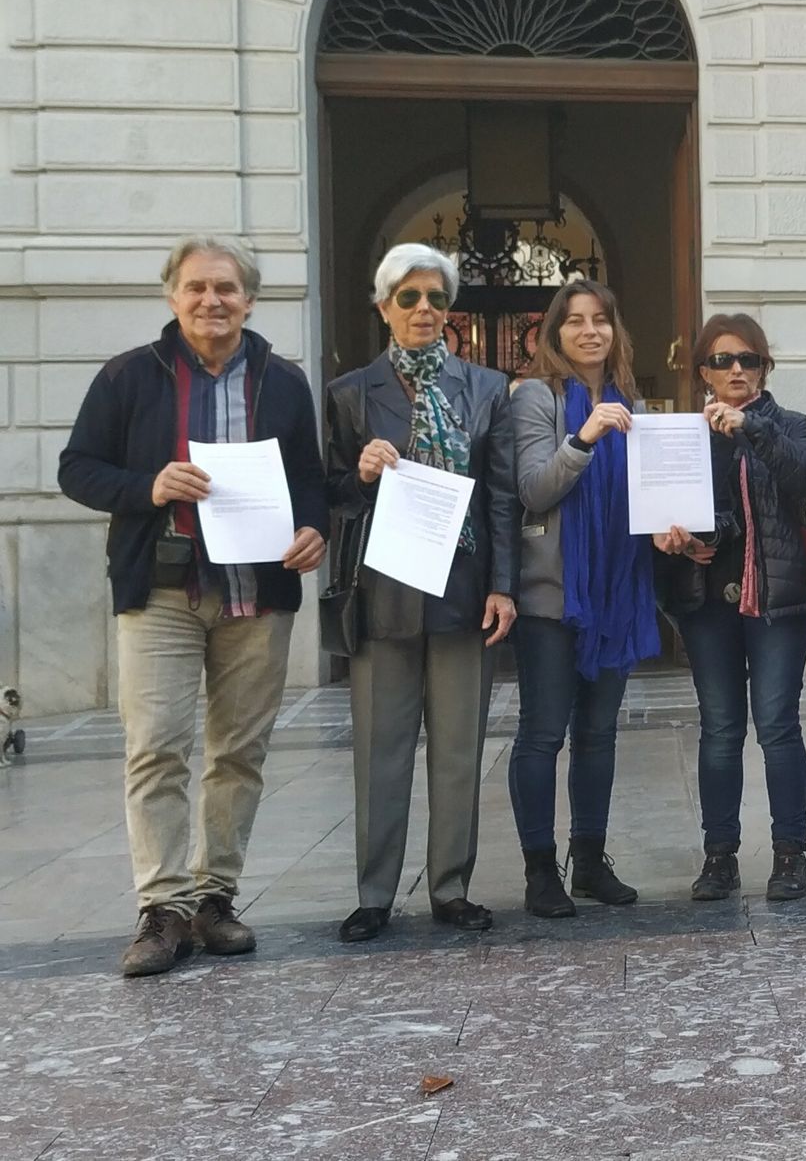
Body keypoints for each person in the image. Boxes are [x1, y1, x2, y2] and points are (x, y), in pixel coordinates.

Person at [58, 235, 328, 977]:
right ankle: (164, 907)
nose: (212, 300)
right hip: (162, 589)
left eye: (227, 289)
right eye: (197, 287)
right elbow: (77, 469)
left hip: (257, 595)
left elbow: (310, 477)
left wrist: (314, 529)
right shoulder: (128, 377)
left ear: (250, 299)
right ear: (172, 296)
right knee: (157, 747)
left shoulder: (281, 381)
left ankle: (216, 897)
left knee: (239, 753)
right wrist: (149, 487)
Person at [323, 243, 518, 943]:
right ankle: (375, 893)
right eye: (409, 298)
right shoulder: (350, 394)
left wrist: (503, 585)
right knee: (381, 747)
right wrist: (363, 474)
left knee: (460, 746)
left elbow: (501, 496)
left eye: (436, 298)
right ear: (384, 308)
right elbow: (331, 492)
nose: (424, 310)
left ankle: (450, 886)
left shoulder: (487, 389)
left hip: (463, 587)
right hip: (385, 589)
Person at [654, 314, 806, 903]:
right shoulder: (682, 435)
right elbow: (667, 505)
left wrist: (751, 430)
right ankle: (720, 858)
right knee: (720, 729)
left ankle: (790, 854)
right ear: (703, 372)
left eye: (748, 360)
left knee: (778, 725)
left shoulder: (790, 425)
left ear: (764, 366)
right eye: (722, 361)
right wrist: (675, 536)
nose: (736, 370)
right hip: (705, 597)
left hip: (779, 598)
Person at [508, 279, 659, 917]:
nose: (589, 331)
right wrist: (585, 437)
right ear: (555, 333)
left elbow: (647, 493)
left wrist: (671, 524)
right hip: (552, 597)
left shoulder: (634, 401)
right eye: (575, 322)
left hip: (617, 593)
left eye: (600, 319)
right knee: (543, 734)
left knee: (598, 735)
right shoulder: (535, 397)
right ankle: (541, 870)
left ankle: (590, 860)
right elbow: (534, 490)